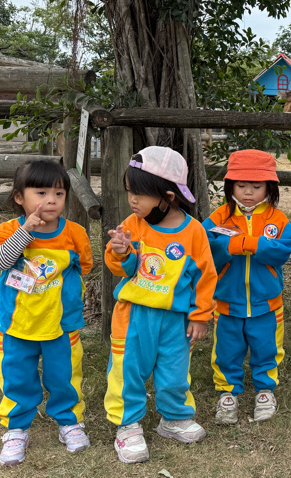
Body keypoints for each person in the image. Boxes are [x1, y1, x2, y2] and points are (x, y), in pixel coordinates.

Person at [103, 146, 218, 464]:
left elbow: (206, 276)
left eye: (139, 194)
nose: (132, 200)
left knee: (174, 372)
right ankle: (128, 425)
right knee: (128, 370)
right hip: (134, 317)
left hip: (174, 321)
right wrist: (120, 252)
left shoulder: (194, 232)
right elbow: (123, 269)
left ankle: (174, 418)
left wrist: (201, 315)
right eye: (129, 192)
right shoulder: (133, 224)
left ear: (168, 196)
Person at [0, 159, 93, 466]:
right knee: (17, 377)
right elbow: (1, 262)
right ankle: (16, 428)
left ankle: (69, 422)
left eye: (59, 194)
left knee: (64, 376)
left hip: (61, 324)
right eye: (41, 193)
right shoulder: (8, 231)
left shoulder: (74, 233)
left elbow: (85, 266)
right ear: (20, 197)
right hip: (17, 324)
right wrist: (26, 231)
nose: (51, 200)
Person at [204, 149, 291, 425]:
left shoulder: (278, 220)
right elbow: (205, 248)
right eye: (241, 185)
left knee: (267, 347)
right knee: (226, 349)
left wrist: (255, 244)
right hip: (227, 302)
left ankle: (265, 390)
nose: (248, 192)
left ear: (269, 187)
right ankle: (227, 392)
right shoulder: (219, 217)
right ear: (230, 186)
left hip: (266, 302)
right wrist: (232, 245)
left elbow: (283, 250)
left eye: (256, 186)